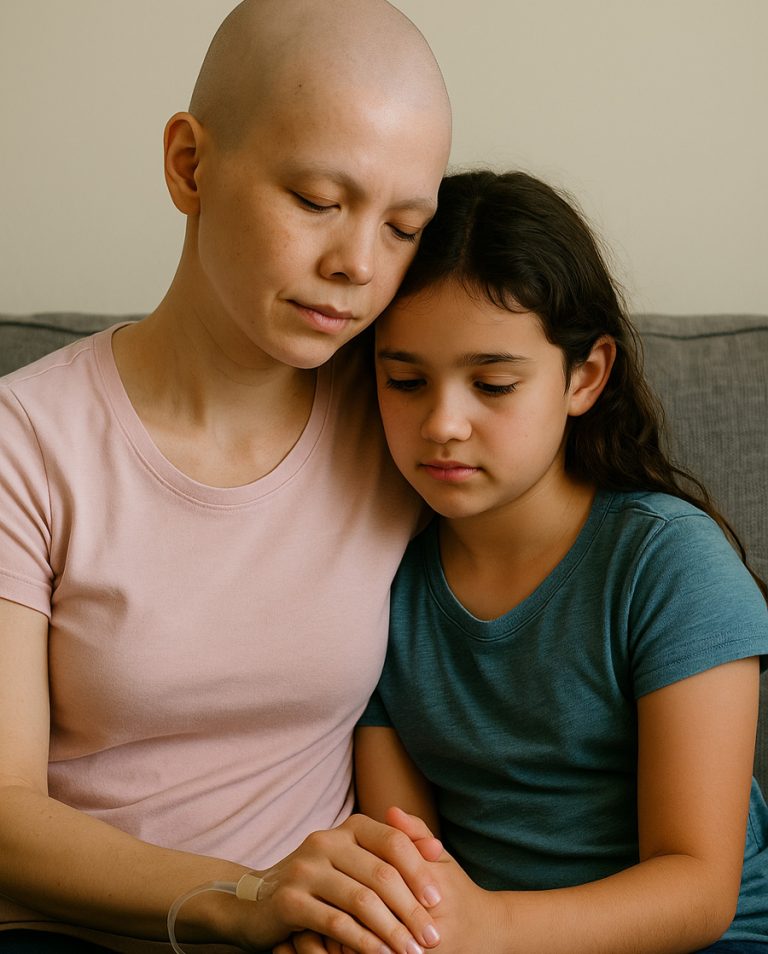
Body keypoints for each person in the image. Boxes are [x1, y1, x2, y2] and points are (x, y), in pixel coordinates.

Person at [0, 1, 452, 952]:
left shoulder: (405, 423)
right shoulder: (28, 442)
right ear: (189, 164)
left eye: (404, 227)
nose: (357, 266)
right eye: (318, 201)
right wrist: (247, 899)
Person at [280, 169, 768, 954]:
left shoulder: (667, 563)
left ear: (585, 376)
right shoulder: (377, 579)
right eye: (405, 380)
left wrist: (486, 928)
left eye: (494, 384)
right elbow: (408, 854)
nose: (443, 423)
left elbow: (698, 888)